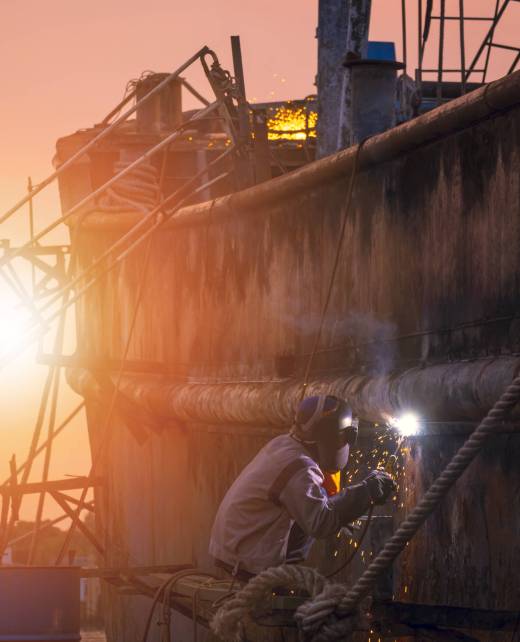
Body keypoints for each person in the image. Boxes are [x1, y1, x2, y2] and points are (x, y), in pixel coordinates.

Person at [209, 394, 396, 580]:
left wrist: (346, 508)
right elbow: (321, 521)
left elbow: (312, 501)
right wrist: (368, 490)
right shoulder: (300, 466)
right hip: (245, 558)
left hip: (234, 545)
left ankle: (285, 579)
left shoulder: (284, 444)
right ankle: (279, 584)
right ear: (334, 437)